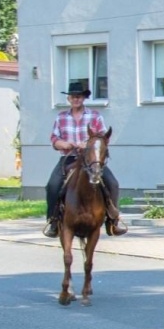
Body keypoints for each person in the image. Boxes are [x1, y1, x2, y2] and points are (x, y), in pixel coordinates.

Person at [43, 81, 126, 239]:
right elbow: (54, 138)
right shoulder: (61, 117)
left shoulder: (95, 116)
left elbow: (103, 138)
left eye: (79, 96)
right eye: (73, 96)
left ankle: (113, 222)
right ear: (69, 99)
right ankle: (53, 221)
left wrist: (87, 145)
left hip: (91, 160)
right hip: (68, 158)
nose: (76, 99)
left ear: (83, 98)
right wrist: (64, 144)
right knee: (52, 185)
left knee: (113, 184)